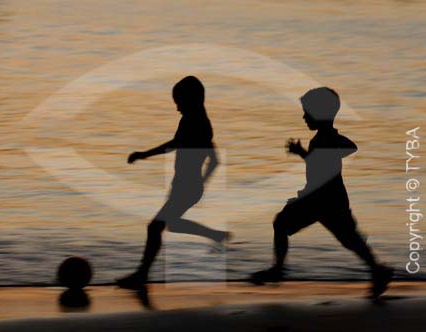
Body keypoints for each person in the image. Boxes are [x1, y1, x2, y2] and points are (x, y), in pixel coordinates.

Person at [250, 87, 393, 298]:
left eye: (307, 112)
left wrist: (316, 149)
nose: (304, 116)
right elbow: (325, 162)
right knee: (350, 240)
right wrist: (304, 153)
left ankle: (278, 270)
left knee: (282, 224)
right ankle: (377, 270)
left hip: (322, 199)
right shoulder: (322, 139)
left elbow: (348, 148)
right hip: (328, 199)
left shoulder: (324, 138)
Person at [117, 76, 231, 290]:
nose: (177, 107)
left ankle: (142, 275)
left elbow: (175, 145)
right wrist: (201, 183)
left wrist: (144, 154)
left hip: (187, 187)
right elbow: (214, 160)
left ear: (193, 100)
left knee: (154, 227)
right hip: (185, 186)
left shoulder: (195, 122)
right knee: (171, 224)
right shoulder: (200, 122)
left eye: (179, 102)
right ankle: (216, 235)